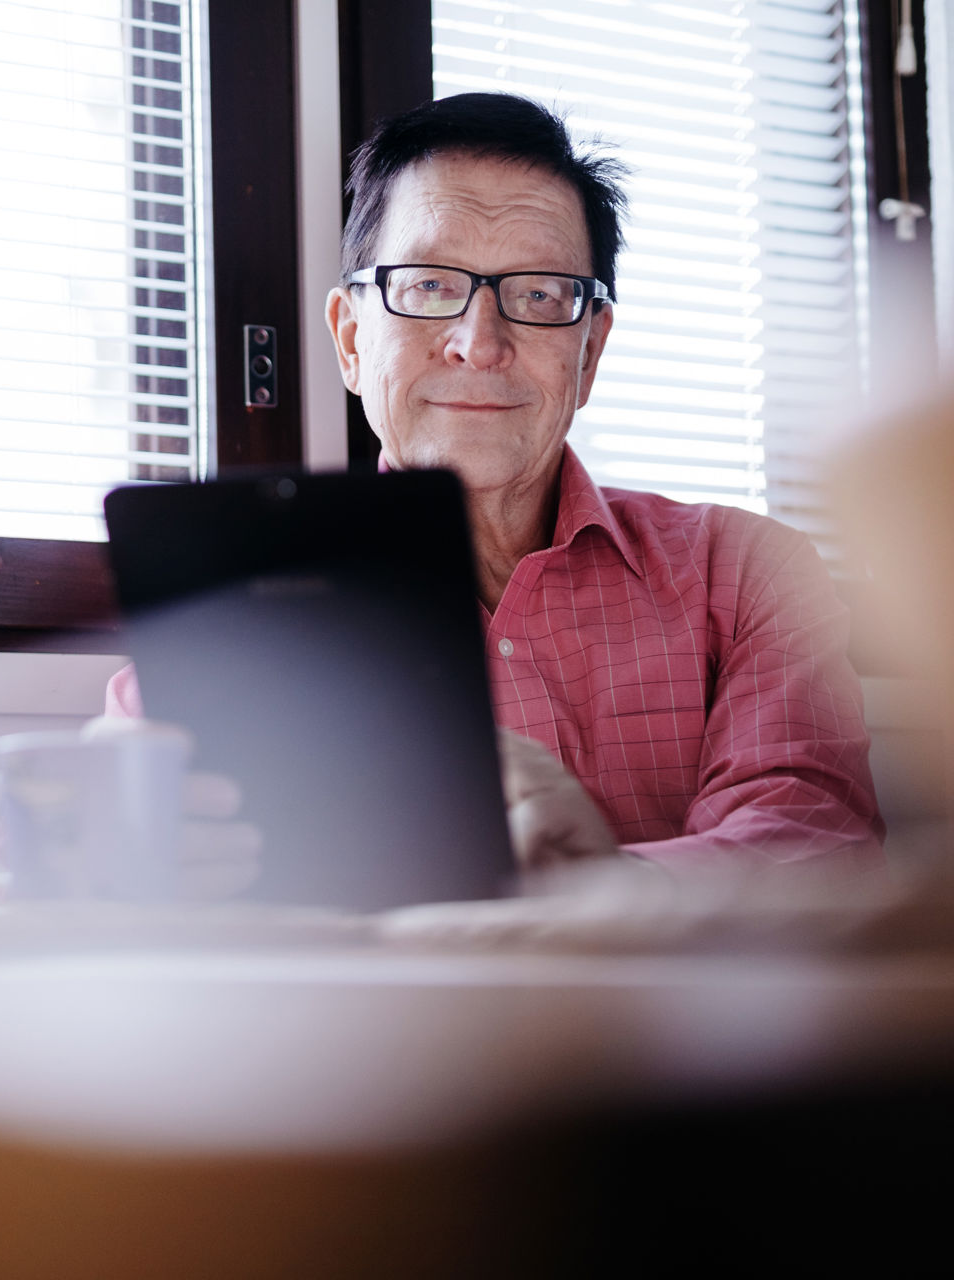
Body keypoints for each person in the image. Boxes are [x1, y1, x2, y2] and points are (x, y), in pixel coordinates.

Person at [114, 92, 882, 882]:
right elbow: (96, 847)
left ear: (589, 354)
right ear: (350, 338)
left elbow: (815, 836)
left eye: (540, 294)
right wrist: (99, 845)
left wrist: (594, 887)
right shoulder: (224, 616)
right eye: (428, 285)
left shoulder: (748, 571)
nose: (480, 344)